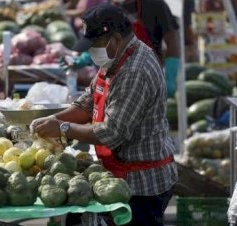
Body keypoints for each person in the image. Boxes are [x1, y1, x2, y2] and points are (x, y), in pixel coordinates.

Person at [31, 3, 177, 226]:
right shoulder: (114, 58)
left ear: (116, 38)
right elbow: (86, 104)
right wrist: (55, 120)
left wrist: (62, 128)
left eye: (94, 45)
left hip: (143, 184)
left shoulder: (134, 71)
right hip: (120, 174)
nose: (91, 52)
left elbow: (112, 132)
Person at [114, 0, 180, 98]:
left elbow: (172, 40)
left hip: (150, 80)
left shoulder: (155, 4)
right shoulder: (113, 9)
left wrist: (169, 78)